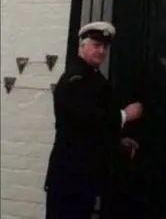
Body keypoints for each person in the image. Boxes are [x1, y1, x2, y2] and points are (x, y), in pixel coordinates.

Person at [44, 21, 143, 219]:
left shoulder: (94, 79)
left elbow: (92, 131)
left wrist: (116, 140)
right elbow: (85, 119)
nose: (102, 51)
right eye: (96, 45)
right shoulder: (75, 79)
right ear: (82, 46)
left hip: (85, 175)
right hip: (70, 177)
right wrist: (124, 115)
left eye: (105, 47)